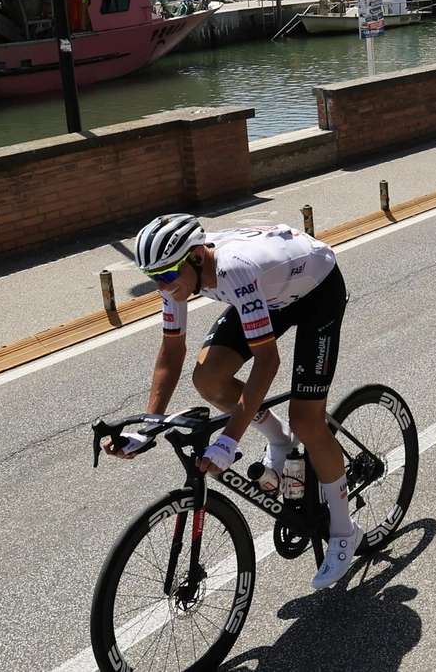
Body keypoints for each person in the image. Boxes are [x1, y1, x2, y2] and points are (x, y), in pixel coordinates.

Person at [112, 215, 363, 590]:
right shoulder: (180, 274)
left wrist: (229, 440)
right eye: (153, 278)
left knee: (307, 420)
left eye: (165, 277)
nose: (161, 286)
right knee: (208, 379)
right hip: (272, 292)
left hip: (317, 290)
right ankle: (279, 440)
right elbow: (172, 349)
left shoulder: (233, 270)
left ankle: (345, 531)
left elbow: (268, 361)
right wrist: (149, 426)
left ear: (197, 256)